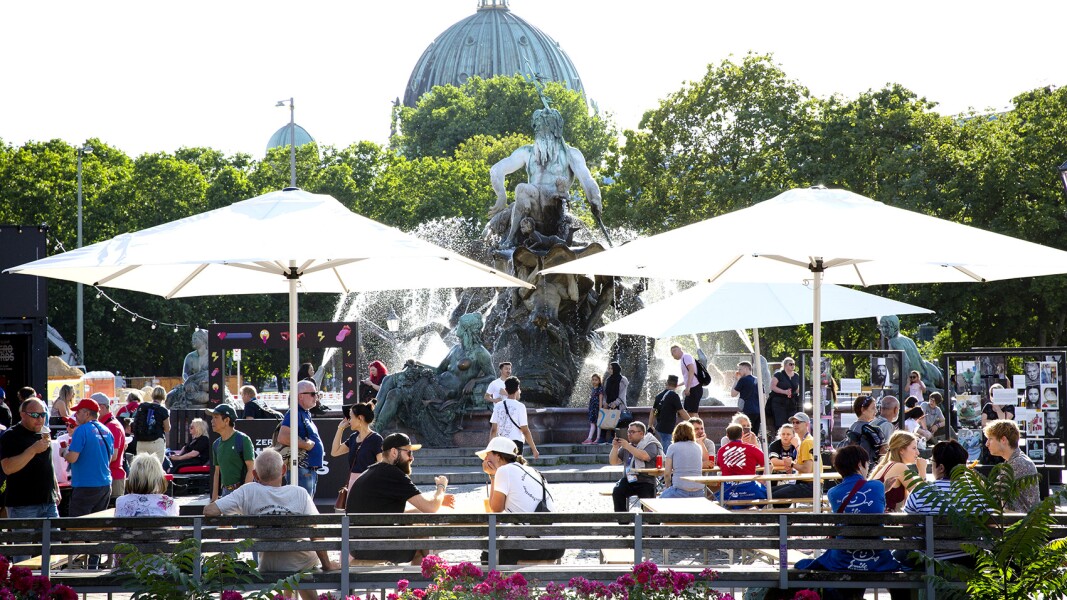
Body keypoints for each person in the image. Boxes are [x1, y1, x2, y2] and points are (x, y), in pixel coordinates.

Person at [206, 448, 337, 599]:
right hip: (299, 563)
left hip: (268, 565)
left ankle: (286, 597)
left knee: (296, 570)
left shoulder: (248, 492)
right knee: (302, 566)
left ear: (254, 474)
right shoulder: (300, 493)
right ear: (283, 469)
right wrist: (327, 565)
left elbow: (210, 511)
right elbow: (316, 532)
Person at [488, 106, 604, 249]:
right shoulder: (527, 152)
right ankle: (510, 239)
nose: (538, 129)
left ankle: (510, 239)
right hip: (531, 208)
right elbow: (496, 169)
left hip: (555, 209)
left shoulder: (571, 154)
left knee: (523, 189)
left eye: (543, 125)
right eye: (536, 125)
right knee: (522, 189)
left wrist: (595, 198)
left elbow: (587, 180)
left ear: (556, 129)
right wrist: (501, 195)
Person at [796, 445, 900, 598]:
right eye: (867, 464)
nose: (868, 467)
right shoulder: (877, 486)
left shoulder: (832, 493)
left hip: (843, 559)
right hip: (876, 559)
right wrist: (883, 489)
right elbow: (874, 505)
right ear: (859, 465)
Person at [347, 433, 454, 564]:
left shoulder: (372, 472)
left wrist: (438, 501)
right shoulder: (393, 474)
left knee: (420, 521)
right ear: (394, 452)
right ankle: (429, 580)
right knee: (423, 545)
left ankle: (425, 579)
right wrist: (441, 488)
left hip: (358, 546)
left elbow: (393, 513)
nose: (412, 458)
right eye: (408, 453)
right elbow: (431, 508)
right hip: (375, 547)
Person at [477, 436, 565, 563]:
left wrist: (492, 475)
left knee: (487, 555)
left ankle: (502, 583)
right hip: (557, 545)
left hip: (538, 546)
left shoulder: (503, 471)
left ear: (498, 456)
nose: (485, 459)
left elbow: (495, 509)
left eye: (488, 454)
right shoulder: (533, 471)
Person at [898, 440, 977, 569]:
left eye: (932, 463)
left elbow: (907, 528)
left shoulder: (921, 491)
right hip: (967, 560)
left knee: (897, 555)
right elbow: (989, 525)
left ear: (941, 468)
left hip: (927, 560)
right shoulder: (976, 493)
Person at [1, 397, 60, 520]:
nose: (40, 419)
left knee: (54, 539)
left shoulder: (44, 433)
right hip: (23, 504)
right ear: (23, 414)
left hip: (48, 502)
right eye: (34, 415)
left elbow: (48, 463)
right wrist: (32, 450)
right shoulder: (11, 436)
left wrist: (56, 489)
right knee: (24, 539)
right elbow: (7, 468)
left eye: (43, 414)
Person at [63, 398, 115, 524]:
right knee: (97, 526)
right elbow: (112, 457)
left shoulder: (81, 430)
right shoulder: (107, 430)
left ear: (86, 414)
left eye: (78, 412)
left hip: (85, 486)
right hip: (105, 485)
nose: (75, 415)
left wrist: (64, 452)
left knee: (77, 527)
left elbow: (72, 457)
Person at [278, 379, 325, 498]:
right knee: (303, 510)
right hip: (301, 470)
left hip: (307, 470)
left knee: (305, 508)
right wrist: (305, 445)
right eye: (313, 394)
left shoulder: (304, 413)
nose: (316, 397)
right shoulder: (294, 412)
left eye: (317, 394)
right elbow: (282, 437)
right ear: (300, 396)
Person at [983, 419, 1040, 512]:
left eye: (990, 439)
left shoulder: (1019, 463)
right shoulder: (1015, 460)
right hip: (1017, 521)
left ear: (1003, 440)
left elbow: (994, 493)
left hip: (1021, 523)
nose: (987, 444)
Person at [609, 421, 662, 512]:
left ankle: (650, 522)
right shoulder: (627, 446)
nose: (629, 434)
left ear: (641, 433)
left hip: (646, 480)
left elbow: (644, 456)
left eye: (632, 432)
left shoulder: (650, 444)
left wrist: (627, 447)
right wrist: (615, 447)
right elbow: (614, 462)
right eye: (628, 432)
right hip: (629, 479)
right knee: (617, 490)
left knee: (648, 502)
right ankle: (623, 520)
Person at [330, 400, 383, 489]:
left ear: (360, 418)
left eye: (351, 417)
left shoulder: (376, 439)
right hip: (353, 484)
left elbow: (381, 466)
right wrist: (340, 429)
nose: (349, 421)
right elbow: (335, 452)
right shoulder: (353, 438)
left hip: (369, 484)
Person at [869, 431, 926, 512]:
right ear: (901, 450)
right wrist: (922, 470)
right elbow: (921, 496)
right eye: (914, 448)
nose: (918, 452)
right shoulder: (899, 467)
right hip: (887, 521)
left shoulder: (888, 465)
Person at [208, 404, 254, 502]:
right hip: (225, 493)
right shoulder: (216, 444)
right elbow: (217, 473)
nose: (212, 421)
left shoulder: (243, 439)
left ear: (226, 420)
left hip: (242, 492)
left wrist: (244, 495)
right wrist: (213, 499)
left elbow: (251, 469)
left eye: (216, 417)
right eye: (212, 418)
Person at [716, 424, 767, 507]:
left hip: (728, 491)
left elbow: (719, 465)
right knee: (767, 493)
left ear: (727, 436)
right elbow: (768, 464)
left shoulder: (721, 451)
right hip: (750, 490)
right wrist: (763, 480)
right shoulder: (752, 448)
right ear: (742, 434)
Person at [489, 376, 539, 459]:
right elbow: (525, 430)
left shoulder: (498, 406)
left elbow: (493, 430)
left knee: (504, 468)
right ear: (517, 389)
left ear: (506, 389)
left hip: (502, 442)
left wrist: (491, 448)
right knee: (515, 468)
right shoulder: (520, 406)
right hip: (516, 442)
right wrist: (534, 449)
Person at [93, 393, 128, 499]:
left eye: (90, 410)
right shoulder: (109, 425)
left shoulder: (112, 426)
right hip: (109, 477)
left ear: (102, 408)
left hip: (113, 478)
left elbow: (113, 456)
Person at [660, 422, 706, 499]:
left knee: (653, 505)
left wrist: (667, 487)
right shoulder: (698, 447)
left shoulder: (672, 447)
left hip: (679, 491)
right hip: (699, 491)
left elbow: (667, 473)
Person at [845, 395, 886, 470]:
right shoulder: (867, 429)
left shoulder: (853, 426)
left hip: (853, 467)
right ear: (863, 410)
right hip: (866, 468)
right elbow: (868, 453)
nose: (876, 411)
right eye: (873, 408)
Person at [650, 374, 689, 450]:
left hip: (658, 428)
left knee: (661, 451)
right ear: (676, 385)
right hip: (667, 430)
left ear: (666, 383)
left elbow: (653, 411)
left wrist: (650, 425)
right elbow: (681, 411)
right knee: (666, 452)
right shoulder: (674, 396)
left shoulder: (659, 396)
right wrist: (691, 421)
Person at [133, 385, 171, 463]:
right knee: (156, 469)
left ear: (152, 395)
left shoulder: (143, 406)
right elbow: (167, 429)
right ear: (164, 397)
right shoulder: (162, 410)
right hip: (156, 442)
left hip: (141, 441)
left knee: (141, 468)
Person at [767, 357, 800, 434]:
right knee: (780, 423)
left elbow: (797, 389)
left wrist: (794, 394)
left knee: (792, 421)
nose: (793, 366)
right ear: (785, 365)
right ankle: (780, 437)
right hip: (779, 402)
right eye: (790, 364)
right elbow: (772, 387)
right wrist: (784, 392)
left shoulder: (796, 376)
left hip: (791, 402)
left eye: (794, 364)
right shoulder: (779, 374)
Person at [730, 361, 762, 439]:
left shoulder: (743, 380)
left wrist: (736, 380)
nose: (739, 371)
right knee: (755, 435)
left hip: (747, 411)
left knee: (746, 435)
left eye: (740, 369)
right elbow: (763, 397)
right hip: (758, 412)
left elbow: (733, 394)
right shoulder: (758, 380)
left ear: (746, 368)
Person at [670, 345, 703, 413]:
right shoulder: (683, 359)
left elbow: (691, 371)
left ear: (679, 349)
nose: (672, 355)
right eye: (672, 353)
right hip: (692, 388)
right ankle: (691, 423)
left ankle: (698, 424)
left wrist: (688, 388)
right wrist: (679, 385)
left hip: (694, 388)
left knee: (693, 413)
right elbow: (688, 376)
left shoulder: (686, 357)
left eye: (673, 352)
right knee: (688, 411)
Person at [583, 373, 606, 445]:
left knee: (598, 424)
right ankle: (589, 438)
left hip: (597, 409)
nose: (594, 381)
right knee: (592, 423)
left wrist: (600, 410)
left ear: (599, 381)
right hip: (592, 408)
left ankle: (597, 438)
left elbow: (600, 400)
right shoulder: (593, 388)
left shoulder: (600, 389)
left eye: (596, 380)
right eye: (593, 380)